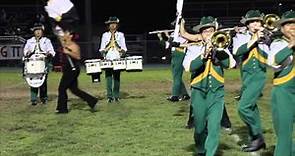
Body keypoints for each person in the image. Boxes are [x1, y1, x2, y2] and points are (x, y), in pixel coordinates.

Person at [182, 16, 236, 156]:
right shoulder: (194, 48)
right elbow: (188, 67)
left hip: (216, 93)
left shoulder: (221, 47)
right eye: (205, 31)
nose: (208, 34)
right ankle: (200, 148)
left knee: (213, 128)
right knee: (200, 128)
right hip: (199, 93)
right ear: (200, 34)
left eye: (211, 31)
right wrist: (203, 55)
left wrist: (219, 51)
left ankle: (210, 153)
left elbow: (231, 64)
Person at [232, 10, 269, 152]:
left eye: (258, 21)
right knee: (252, 108)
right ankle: (257, 141)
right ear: (247, 24)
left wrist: (264, 38)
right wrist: (253, 38)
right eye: (252, 22)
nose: (255, 24)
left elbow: (268, 56)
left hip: (258, 75)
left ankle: (257, 136)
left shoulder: (266, 36)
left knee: (243, 108)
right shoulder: (241, 36)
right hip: (246, 76)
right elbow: (237, 51)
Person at [268, 10, 295, 156]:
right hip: (284, 93)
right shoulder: (278, 44)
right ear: (282, 28)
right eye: (289, 24)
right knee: (284, 134)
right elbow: (273, 62)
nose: (293, 27)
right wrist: (291, 45)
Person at [56, 28, 98, 113]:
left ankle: (62, 109)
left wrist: (68, 52)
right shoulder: (65, 43)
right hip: (67, 68)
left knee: (62, 88)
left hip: (72, 69)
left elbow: (78, 57)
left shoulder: (74, 46)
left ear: (71, 36)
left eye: (66, 33)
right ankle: (91, 100)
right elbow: (59, 37)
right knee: (74, 89)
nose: (64, 34)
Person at [156, 21, 190, 102]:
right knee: (176, 76)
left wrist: (167, 35)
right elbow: (167, 45)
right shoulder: (174, 34)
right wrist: (160, 37)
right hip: (174, 55)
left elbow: (173, 43)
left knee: (177, 76)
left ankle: (175, 96)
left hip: (180, 54)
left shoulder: (184, 34)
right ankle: (185, 94)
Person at [23, 23, 55, 105]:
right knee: (32, 78)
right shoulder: (29, 41)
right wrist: (27, 52)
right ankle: (33, 99)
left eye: (39, 30)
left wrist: (49, 54)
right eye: (36, 30)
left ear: (42, 31)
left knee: (43, 80)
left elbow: (52, 51)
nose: (38, 32)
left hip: (43, 61)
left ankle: (43, 97)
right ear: (34, 32)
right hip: (32, 62)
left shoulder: (46, 41)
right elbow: (25, 51)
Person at [99, 16, 127, 103]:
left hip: (117, 57)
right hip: (108, 57)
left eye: (114, 24)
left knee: (117, 77)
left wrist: (121, 50)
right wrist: (104, 51)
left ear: (117, 25)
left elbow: (124, 48)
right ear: (109, 25)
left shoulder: (120, 35)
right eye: (111, 24)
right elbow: (101, 48)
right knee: (108, 77)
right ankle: (109, 96)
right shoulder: (105, 35)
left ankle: (116, 96)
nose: (113, 25)